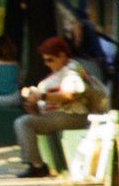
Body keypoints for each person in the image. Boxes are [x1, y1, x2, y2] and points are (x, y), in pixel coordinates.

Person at [14, 36, 91, 178]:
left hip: (72, 115)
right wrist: (32, 103)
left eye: (50, 59)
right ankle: (35, 163)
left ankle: (37, 165)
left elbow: (70, 95)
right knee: (24, 121)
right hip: (55, 115)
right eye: (44, 60)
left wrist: (42, 96)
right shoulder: (57, 74)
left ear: (62, 55)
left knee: (24, 122)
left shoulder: (71, 71)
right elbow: (39, 109)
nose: (47, 64)